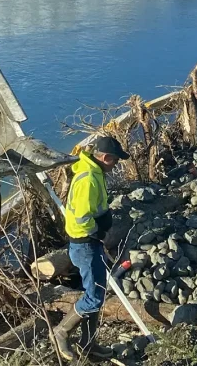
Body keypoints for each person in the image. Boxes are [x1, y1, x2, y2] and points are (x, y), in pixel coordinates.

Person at [53, 135, 129, 361]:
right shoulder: (88, 179)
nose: (115, 165)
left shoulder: (94, 172)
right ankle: (62, 331)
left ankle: (88, 344)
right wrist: (97, 231)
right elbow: (81, 216)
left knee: (96, 291)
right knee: (94, 296)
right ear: (105, 158)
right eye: (114, 160)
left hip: (90, 244)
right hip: (85, 245)